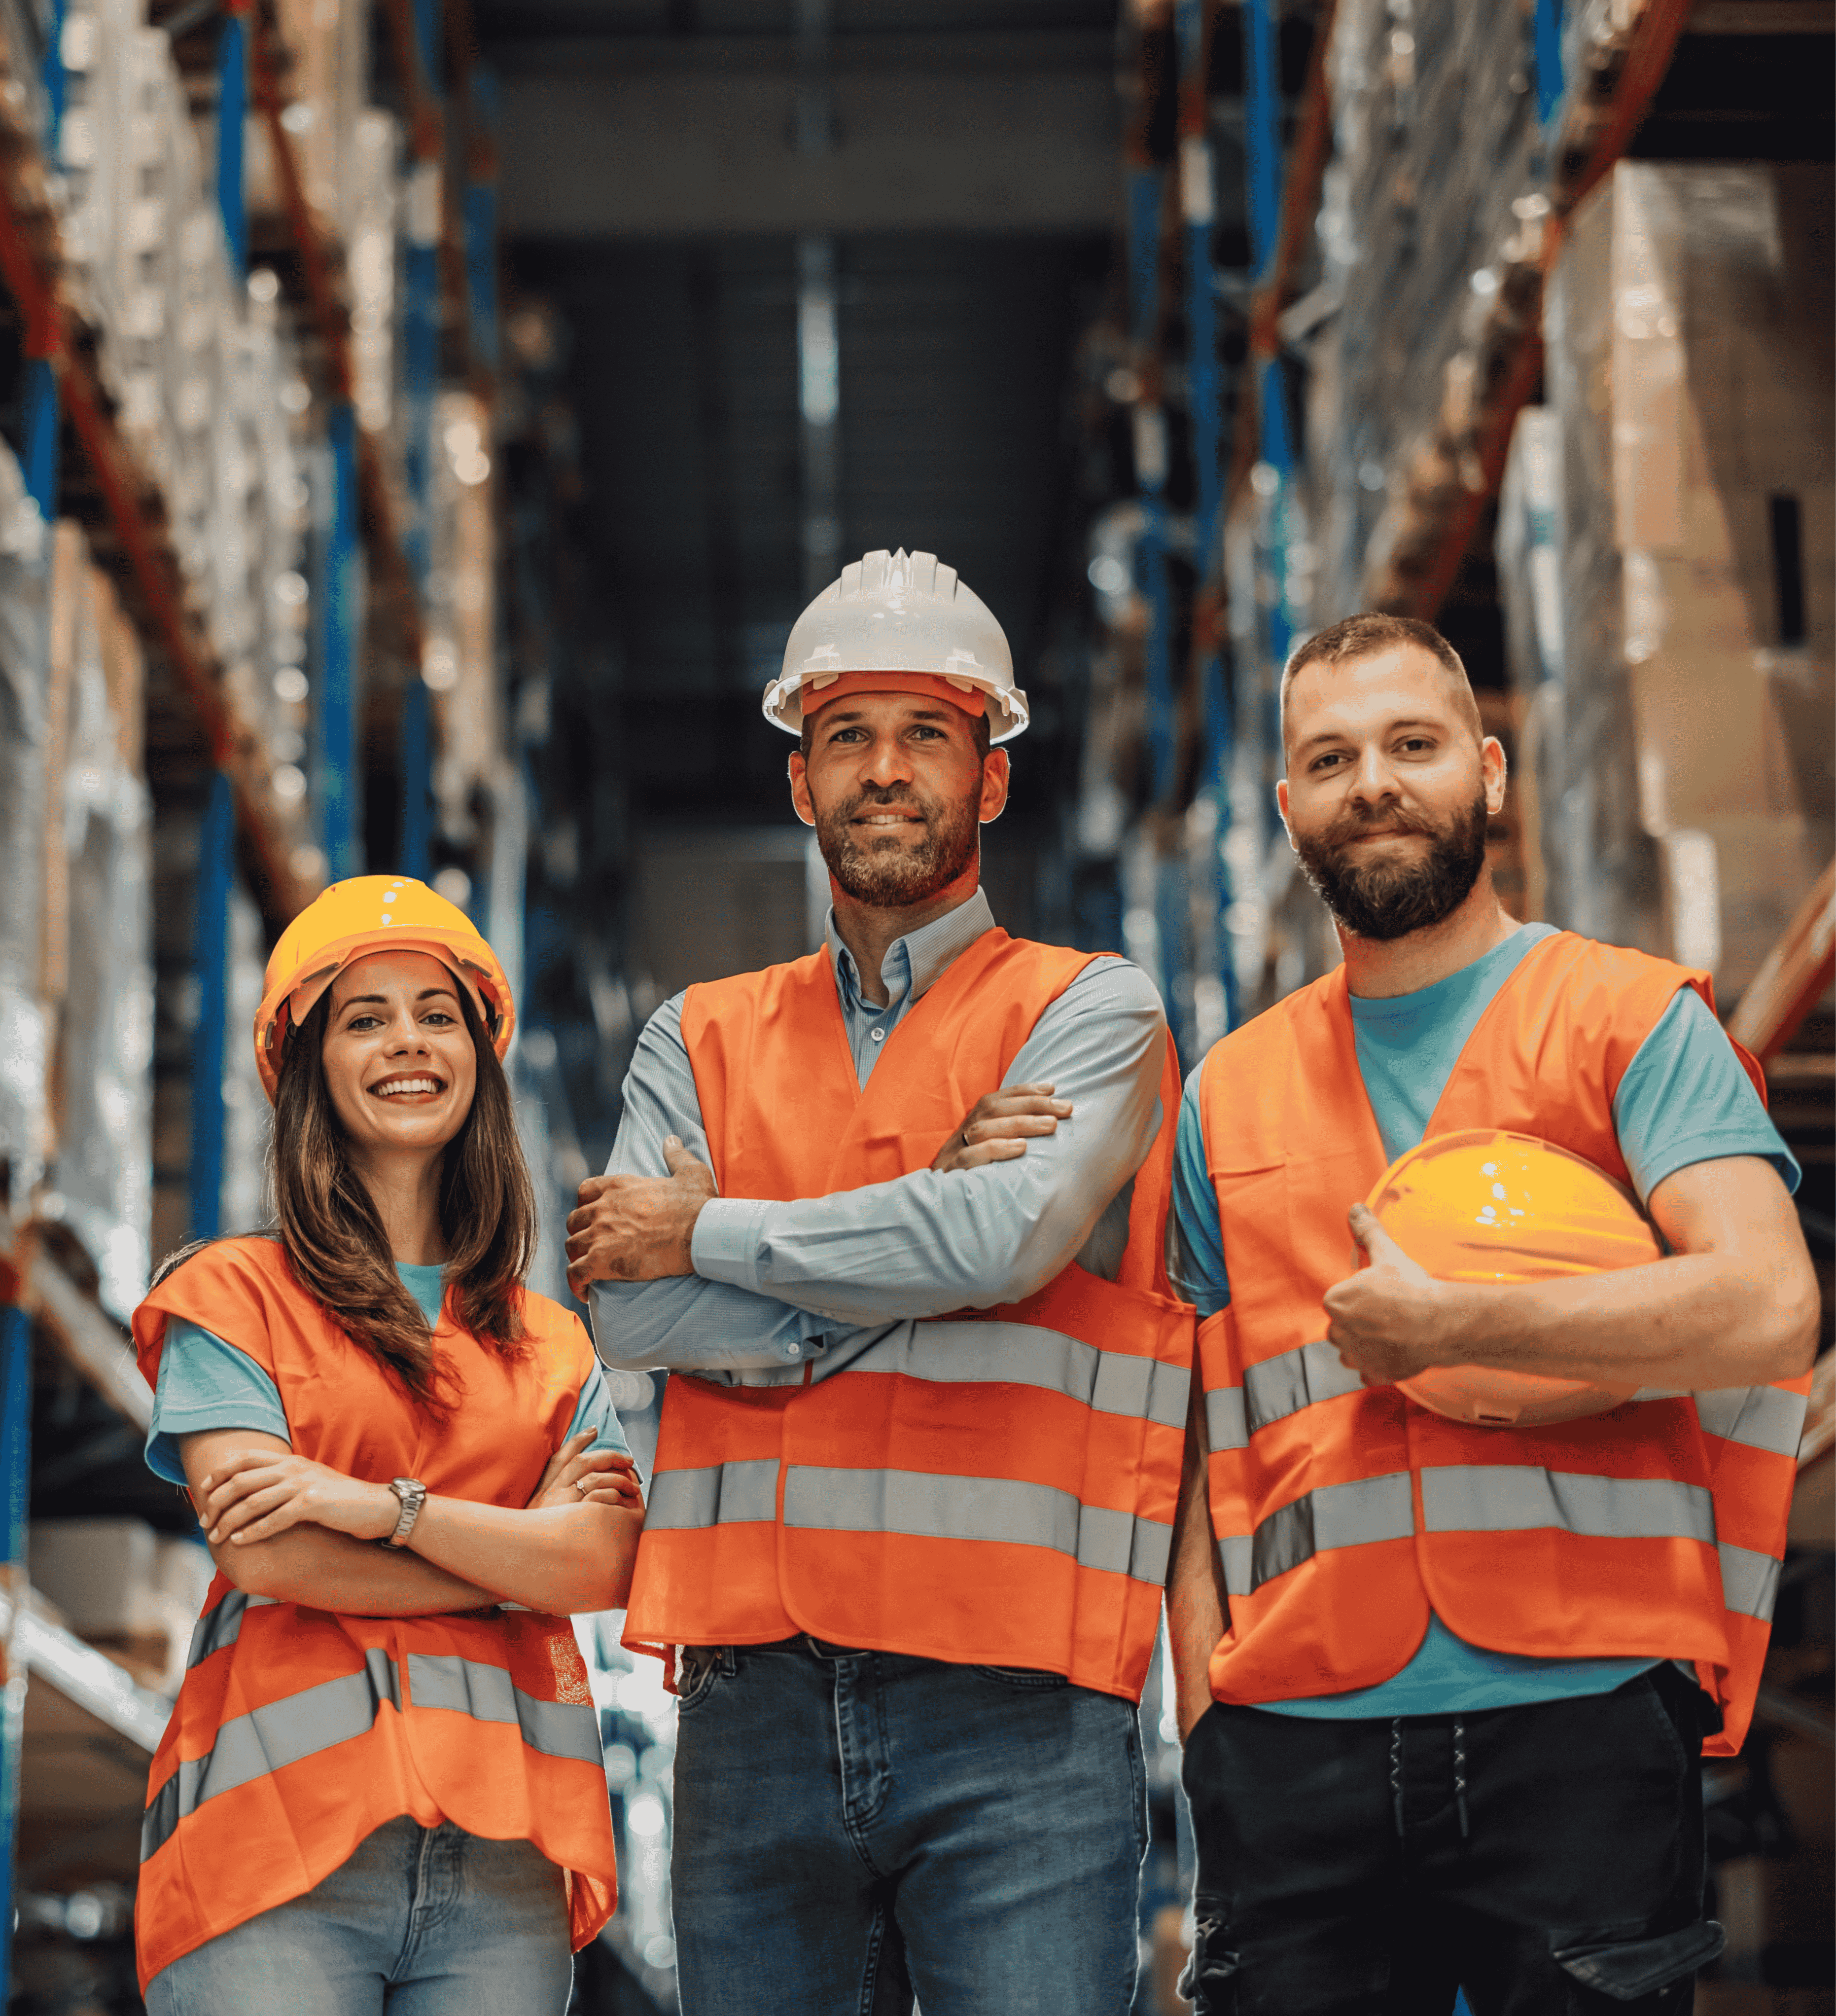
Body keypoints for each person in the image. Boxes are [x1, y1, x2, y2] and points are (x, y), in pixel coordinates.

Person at [565, 547, 1194, 2016]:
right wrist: (922, 1237)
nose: (884, 769)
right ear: (800, 784)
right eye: (846, 734)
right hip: (752, 1705)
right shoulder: (696, 1034)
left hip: (1019, 1698)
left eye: (927, 733)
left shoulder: (1089, 1011)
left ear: (992, 777)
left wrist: (713, 1230)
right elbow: (631, 1314)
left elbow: (1002, 1243)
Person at [1166, 613, 1821, 2016]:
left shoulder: (1625, 1023)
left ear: (1490, 767)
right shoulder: (1224, 1092)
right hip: (1292, 1744)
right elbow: (1190, 1434)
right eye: (1330, 759)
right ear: (1287, 808)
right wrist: (1203, 1707)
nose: (1373, 784)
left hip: (1574, 1721)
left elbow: (1768, 1303)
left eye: (1411, 745)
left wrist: (1459, 1330)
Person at [131, 876, 644, 2015]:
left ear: (478, 1056)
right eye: (364, 1018)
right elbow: (267, 1555)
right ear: (308, 1064)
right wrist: (513, 1564)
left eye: (436, 1013)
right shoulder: (229, 1297)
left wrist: (375, 1506)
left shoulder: (550, 1341)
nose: (406, 1042)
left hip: (504, 1863)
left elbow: (605, 1564)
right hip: (275, 1851)